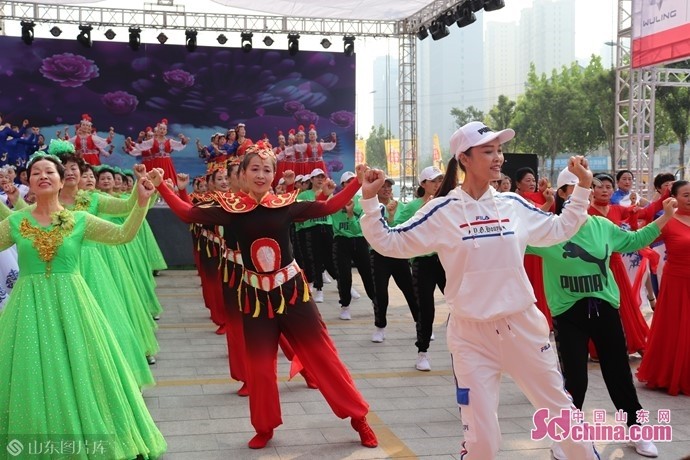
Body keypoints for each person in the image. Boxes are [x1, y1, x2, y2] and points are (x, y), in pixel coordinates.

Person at [359, 121, 598, 459]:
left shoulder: (513, 205)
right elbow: (389, 241)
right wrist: (370, 202)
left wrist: (584, 189)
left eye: (499, 150)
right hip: (471, 337)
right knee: (482, 441)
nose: (498, 157)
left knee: (564, 418)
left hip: (523, 329)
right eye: (488, 151)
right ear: (464, 159)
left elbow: (560, 228)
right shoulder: (443, 210)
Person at [149, 142, 378, 450]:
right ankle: (264, 426)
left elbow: (328, 207)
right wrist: (161, 185)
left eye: (267, 169)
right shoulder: (231, 211)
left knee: (323, 357)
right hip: (254, 298)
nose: (261, 175)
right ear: (242, 173)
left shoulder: (286, 204)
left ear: (274, 174)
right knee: (259, 367)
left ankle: (358, 418)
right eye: (254, 169)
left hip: (293, 294)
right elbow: (188, 214)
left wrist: (355, 186)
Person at [0, 152, 166, 458]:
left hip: (73, 303)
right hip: (27, 307)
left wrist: (141, 202)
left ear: (62, 181)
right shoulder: (15, 222)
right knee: (30, 369)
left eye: (49, 171)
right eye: (35, 172)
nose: (43, 176)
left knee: (82, 364)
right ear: (29, 183)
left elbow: (121, 234)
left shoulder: (79, 220)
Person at [527, 167, 673, 459]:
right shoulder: (548, 231)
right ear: (563, 195)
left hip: (604, 309)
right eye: (570, 190)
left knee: (619, 372)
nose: (579, 196)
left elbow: (633, 241)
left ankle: (636, 428)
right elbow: (513, 243)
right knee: (574, 379)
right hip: (569, 313)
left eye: (585, 189)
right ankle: (565, 436)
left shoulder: (602, 226)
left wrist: (666, 216)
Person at [636, 180, 690, 396]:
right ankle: (672, 373)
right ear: (674, 198)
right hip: (677, 282)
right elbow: (640, 239)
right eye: (686, 195)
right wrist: (651, 257)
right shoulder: (666, 221)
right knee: (677, 328)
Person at [394, 166, 446, 371]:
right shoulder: (412, 206)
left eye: (440, 180)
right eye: (433, 181)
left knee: (460, 302)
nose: (437, 184)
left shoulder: (446, 203)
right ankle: (422, 352)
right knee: (426, 308)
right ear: (423, 184)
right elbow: (397, 227)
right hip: (422, 263)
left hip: (444, 261)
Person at [330, 171, 377, 321]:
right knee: (344, 276)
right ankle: (345, 306)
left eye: (355, 181)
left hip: (359, 240)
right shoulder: (335, 200)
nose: (353, 185)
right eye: (349, 182)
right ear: (343, 185)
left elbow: (359, 229)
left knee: (368, 274)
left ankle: (376, 302)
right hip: (341, 240)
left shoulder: (362, 201)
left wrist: (351, 215)